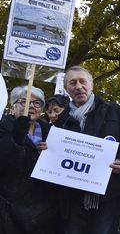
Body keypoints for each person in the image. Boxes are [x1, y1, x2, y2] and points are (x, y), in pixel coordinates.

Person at [56, 65, 120, 234]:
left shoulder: (114, 111)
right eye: (72, 83)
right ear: (66, 89)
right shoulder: (61, 121)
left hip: (108, 195)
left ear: (91, 84)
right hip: (73, 198)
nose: (78, 86)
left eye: (82, 81)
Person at [0, 85, 59, 233]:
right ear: (13, 107)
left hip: (43, 210)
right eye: (23, 101)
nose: (31, 106)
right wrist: (16, 137)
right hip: (10, 210)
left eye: (37, 103)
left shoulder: (52, 133)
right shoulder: (3, 127)